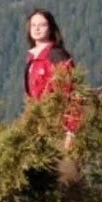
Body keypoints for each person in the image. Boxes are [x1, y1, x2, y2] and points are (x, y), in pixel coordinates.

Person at [24, 8, 79, 149]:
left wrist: (71, 131)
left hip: (58, 125)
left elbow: (73, 92)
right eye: (33, 25)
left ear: (51, 28)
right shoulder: (32, 58)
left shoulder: (57, 56)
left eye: (42, 25)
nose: (36, 29)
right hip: (39, 126)